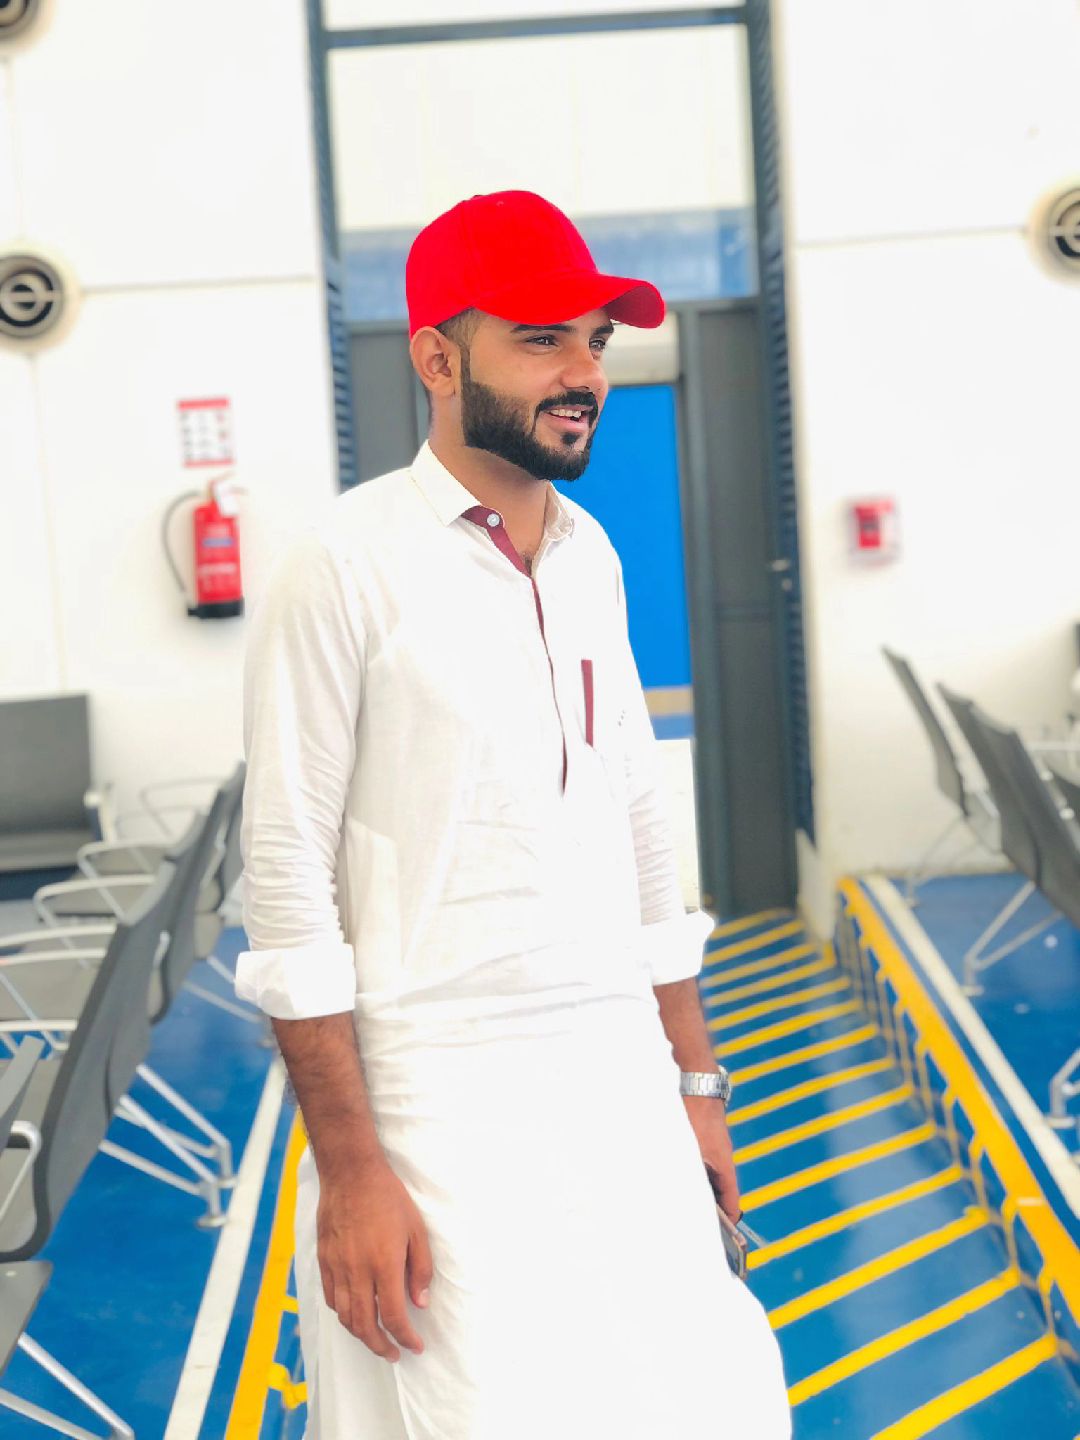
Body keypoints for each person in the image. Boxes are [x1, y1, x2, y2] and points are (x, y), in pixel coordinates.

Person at [237, 189, 791, 1439]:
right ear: (437, 359)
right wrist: (352, 1169)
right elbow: (286, 882)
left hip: (620, 1078)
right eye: (540, 339)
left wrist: (695, 1084)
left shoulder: (592, 556)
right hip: (438, 1098)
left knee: (702, 1401)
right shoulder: (343, 567)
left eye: (594, 339)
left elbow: (642, 828)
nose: (583, 372)